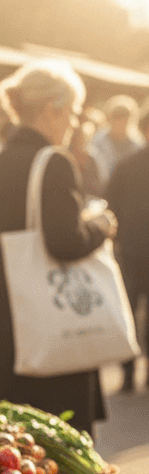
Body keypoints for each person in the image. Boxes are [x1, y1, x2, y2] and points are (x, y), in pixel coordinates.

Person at [0, 60, 118, 434]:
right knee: (60, 451)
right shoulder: (53, 163)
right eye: (73, 112)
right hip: (46, 340)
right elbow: (65, 242)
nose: (74, 123)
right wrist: (100, 227)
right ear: (52, 108)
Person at [105, 104, 149, 392]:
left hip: (131, 249)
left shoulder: (126, 165)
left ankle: (129, 372)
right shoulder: (126, 165)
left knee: (129, 310)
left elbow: (111, 207)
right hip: (133, 249)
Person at [90, 95, 145, 182]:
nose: (121, 120)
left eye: (125, 116)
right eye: (117, 116)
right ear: (109, 118)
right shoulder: (96, 142)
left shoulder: (139, 145)